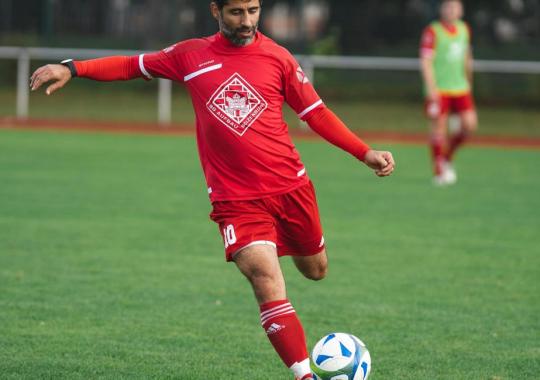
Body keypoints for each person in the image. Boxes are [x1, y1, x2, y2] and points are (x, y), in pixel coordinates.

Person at [30, 1, 395, 378]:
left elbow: (315, 112)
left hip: (291, 188)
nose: (247, 21)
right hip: (234, 199)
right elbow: (130, 65)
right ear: (215, 11)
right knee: (264, 277)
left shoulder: (278, 58)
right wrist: (72, 67)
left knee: (316, 270)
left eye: (253, 10)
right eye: (236, 12)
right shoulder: (191, 56)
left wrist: (363, 152)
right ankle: (303, 374)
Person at [420, 0, 477, 186]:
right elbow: (426, 61)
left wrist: (469, 81)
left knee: (469, 125)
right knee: (439, 128)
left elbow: (467, 57)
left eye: (455, 7)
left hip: (460, 87)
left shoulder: (464, 29)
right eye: (448, 6)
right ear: (442, 9)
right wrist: (431, 89)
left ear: (461, 10)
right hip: (440, 89)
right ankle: (438, 170)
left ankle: (447, 157)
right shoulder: (432, 31)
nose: (452, 10)